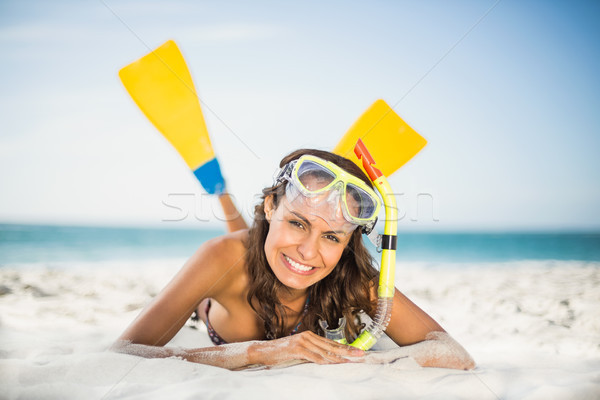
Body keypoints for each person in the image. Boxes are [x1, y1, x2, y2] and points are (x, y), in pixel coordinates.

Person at [112, 149, 475, 370]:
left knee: (270, 247)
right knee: (245, 248)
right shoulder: (219, 256)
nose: (308, 250)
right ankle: (221, 191)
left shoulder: (353, 276)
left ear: (348, 242)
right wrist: (260, 352)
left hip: (262, 247)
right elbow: (124, 353)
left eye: (332, 235)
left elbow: (452, 352)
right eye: (298, 222)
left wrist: (365, 360)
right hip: (215, 304)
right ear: (270, 205)